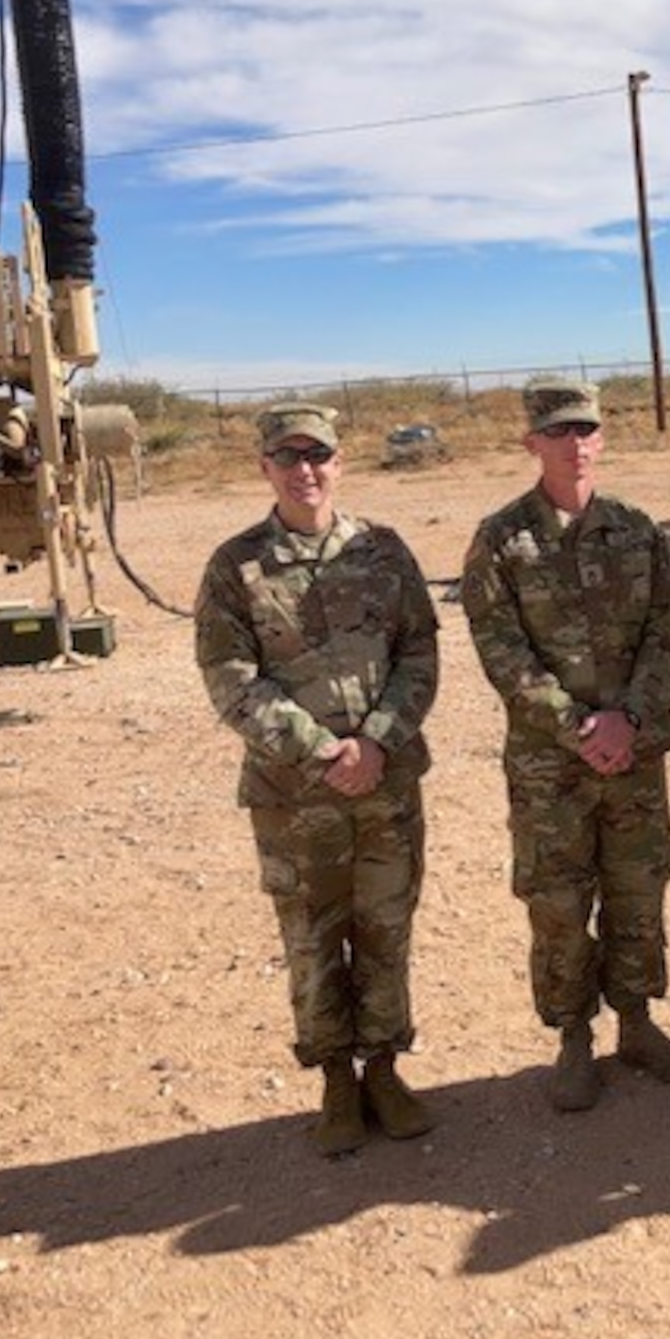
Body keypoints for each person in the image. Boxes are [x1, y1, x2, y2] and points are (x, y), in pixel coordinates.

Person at [195, 403, 440, 1156]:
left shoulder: (384, 552)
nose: (306, 470)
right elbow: (231, 679)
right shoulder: (234, 567)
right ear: (265, 467)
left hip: (386, 783)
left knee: (385, 930)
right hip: (293, 795)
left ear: (340, 463)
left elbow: (419, 655)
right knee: (311, 938)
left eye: (319, 455)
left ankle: (385, 1069)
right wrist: (322, 752)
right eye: (288, 456)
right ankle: (335, 1076)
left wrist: (375, 742)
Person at [460, 378, 670, 1111]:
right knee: (559, 901)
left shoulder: (637, 528)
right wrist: (578, 727)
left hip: (634, 752)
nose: (575, 445)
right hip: (550, 764)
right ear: (532, 443)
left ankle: (636, 1022)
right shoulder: (503, 540)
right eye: (559, 432)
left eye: (586, 431)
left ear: (601, 438)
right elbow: (501, 652)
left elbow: (662, 634)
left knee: (637, 888)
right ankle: (573, 1038)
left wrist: (629, 718)